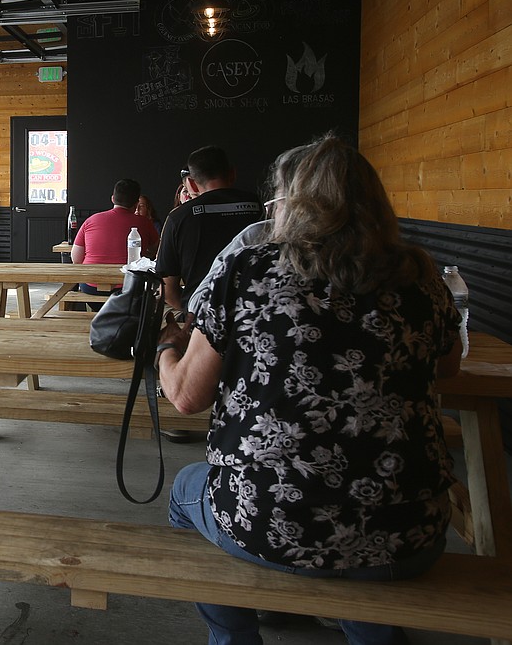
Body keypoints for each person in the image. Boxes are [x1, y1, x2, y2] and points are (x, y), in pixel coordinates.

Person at [156, 135, 461, 645]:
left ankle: (236, 634)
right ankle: (369, 632)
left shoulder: (249, 270)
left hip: (269, 521)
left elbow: (187, 397)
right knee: (364, 535)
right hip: (411, 529)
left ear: (289, 202)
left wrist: (166, 350)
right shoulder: (420, 275)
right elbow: (448, 366)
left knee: (187, 490)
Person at [156, 146, 260, 315]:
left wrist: (194, 312)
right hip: (256, 314)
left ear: (190, 183)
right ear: (232, 174)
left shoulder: (178, 217)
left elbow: (167, 291)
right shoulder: (262, 207)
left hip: (202, 318)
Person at [71, 179, 159, 294]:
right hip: (129, 288)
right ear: (136, 203)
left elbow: (76, 258)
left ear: (113, 198)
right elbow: (156, 249)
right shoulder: (145, 223)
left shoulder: (91, 220)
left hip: (90, 286)